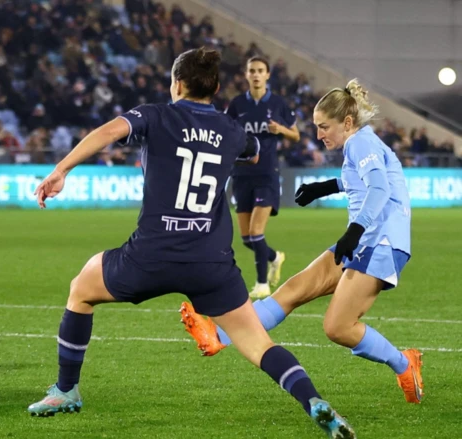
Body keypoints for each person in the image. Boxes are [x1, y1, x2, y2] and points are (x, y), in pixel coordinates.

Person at [27, 47, 355, 438]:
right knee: (257, 343)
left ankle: (66, 390)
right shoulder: (231, 129)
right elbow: (250, 154)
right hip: (210, 262)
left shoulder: (155, 115)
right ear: (215, 88)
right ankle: (313, 401)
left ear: (177, 83)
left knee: (81, 290)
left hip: (150, 255)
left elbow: (108, 133)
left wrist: (61, 169)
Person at [181, 79, 423, 405]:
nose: (319, 134)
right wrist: (322, 188)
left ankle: (405, 363)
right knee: (292, 291)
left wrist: (353, 231)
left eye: (324, 127)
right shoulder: (361, 142)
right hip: (366, 238)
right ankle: (219, 336)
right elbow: (356, 180)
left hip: (380, 243)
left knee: (338, 327)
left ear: (347, 123)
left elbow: (379, 189)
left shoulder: (359, 144)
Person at [225, 56, 300, 302]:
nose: (256, 75)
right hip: (241, 174)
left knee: (257, 232)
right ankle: (274, 258)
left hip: (266, 174)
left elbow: (296, 135)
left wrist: (281, 130)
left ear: (267, 75)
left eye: (260, 71)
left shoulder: (278, 103)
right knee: (247, 238)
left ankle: (261, 284)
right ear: (246, 75)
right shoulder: (237, 105)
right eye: (251, 71)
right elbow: (227, 132)